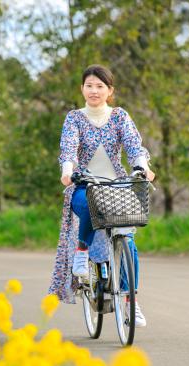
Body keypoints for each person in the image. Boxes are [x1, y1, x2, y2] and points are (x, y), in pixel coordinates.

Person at [48, 64, 155, 327]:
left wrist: (143, 166)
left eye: (100, 86)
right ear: (82, 88)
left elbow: (133, 145)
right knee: (85, 204)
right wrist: (67, 170)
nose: (94, 91)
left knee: (128, 242)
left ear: (110, 90)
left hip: (116, 185)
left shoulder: (119, 117)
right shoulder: (74, 118)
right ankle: (82, 252)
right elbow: (69, 148)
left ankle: (132, 302)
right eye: (89, 85)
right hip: (84, 183)